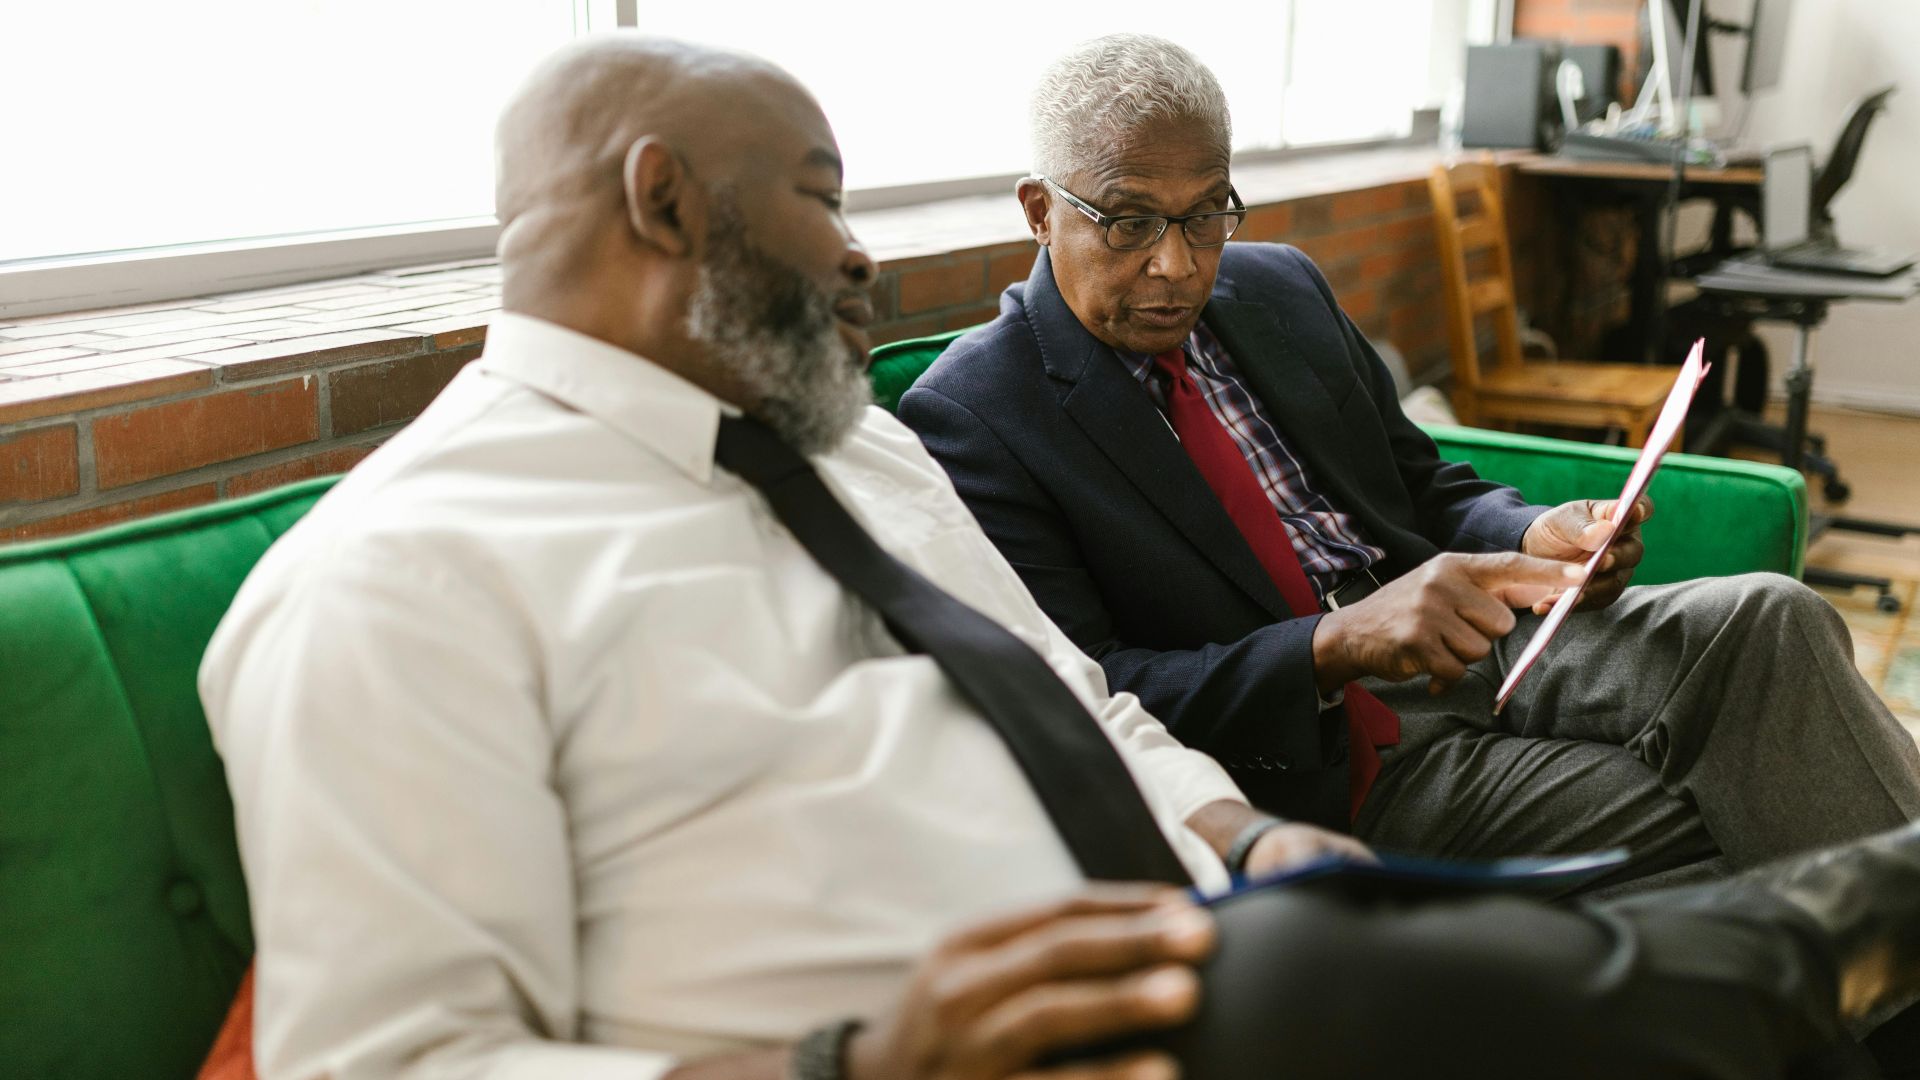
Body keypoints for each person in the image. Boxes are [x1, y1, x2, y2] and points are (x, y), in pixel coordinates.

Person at [203, 32, 1920, 1080]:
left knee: (1715, 681)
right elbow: (384, 1066)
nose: (865, 256)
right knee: (1405, 985)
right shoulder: (402, 573)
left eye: (1205, 215)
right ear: (661, 201)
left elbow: (1079, 702)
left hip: (1203, 927)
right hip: (1070, 1016)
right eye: (824, 194)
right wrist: (850, 1067)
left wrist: (1245, 839)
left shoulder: (845, 447)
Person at [896, 33, 1920, 898]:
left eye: (1207, 214)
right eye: (1127, 221)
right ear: (1039, 210)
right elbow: (1094, 693)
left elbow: (1422, 484)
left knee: (1772, 617)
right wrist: (1338, 644)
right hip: (1342, 751)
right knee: (1743, 793)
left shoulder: (1277, 290)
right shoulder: (977, 415)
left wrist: (1529, 532)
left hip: (1484, 637)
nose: (1177, 264)